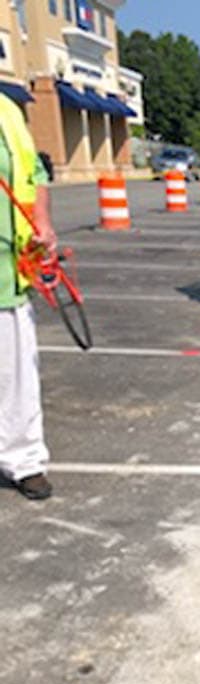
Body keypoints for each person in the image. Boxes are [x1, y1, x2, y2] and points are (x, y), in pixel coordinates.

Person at [0, 94, 55, 500]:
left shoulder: (8, 111)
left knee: (17, 371)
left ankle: (25, 460)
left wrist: (42, 223)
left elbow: (33, 173)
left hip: (8, 269)